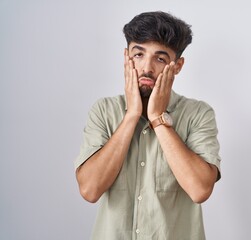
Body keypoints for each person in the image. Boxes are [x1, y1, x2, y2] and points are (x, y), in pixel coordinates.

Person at [74, 11, 221, 240]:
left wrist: (158, 118)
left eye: (160, 58)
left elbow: (200, 189)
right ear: (126, 56)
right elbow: (90, 190)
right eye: (138, 55)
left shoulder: (198, 114)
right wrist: (132, 115)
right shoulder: (103, 111)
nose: (147, 68)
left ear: (178, 65)